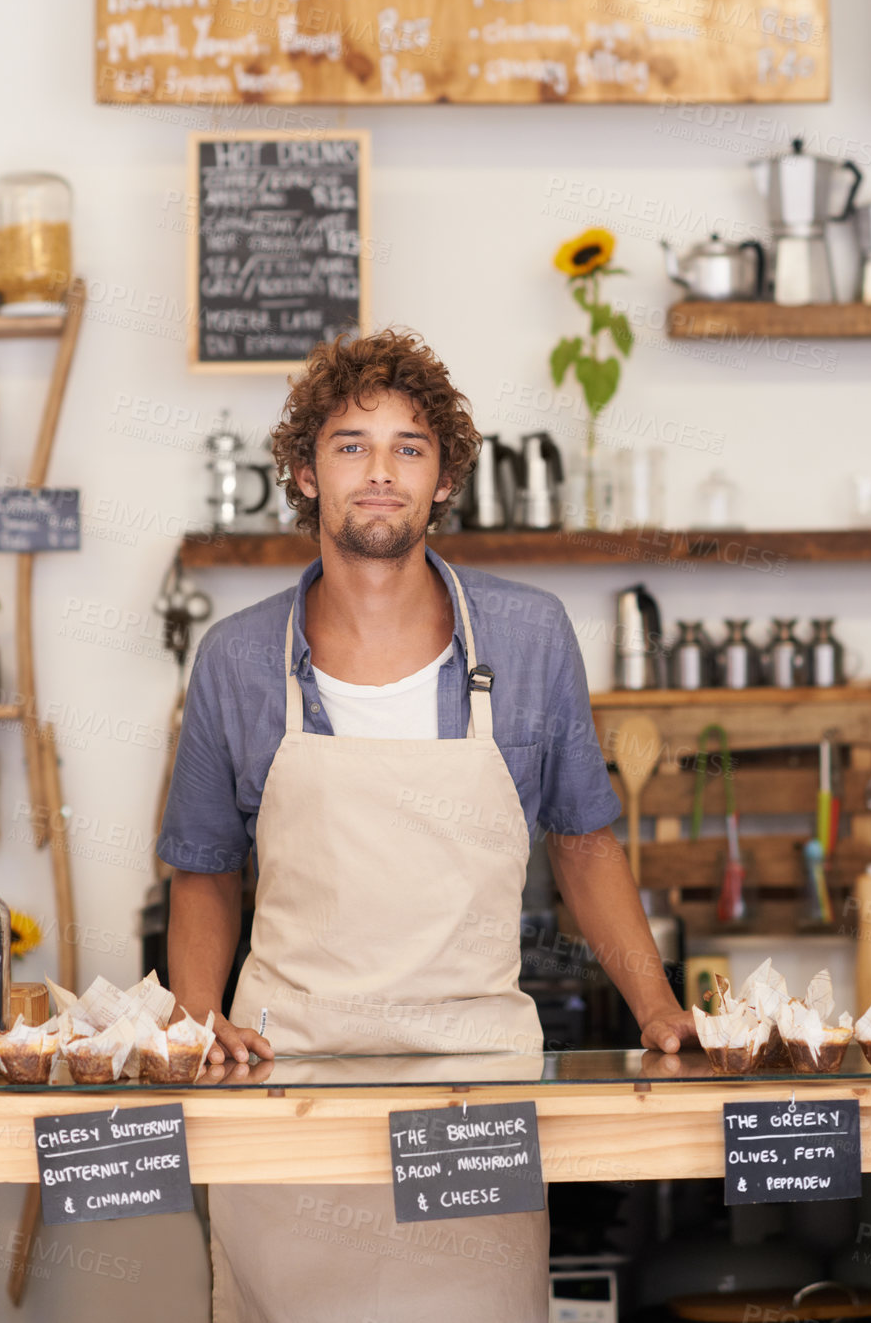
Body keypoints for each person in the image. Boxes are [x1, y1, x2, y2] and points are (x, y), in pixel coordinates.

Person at [160, 328, 694, 1322]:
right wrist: (198, 1031)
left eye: (408, 447)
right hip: (289, 1082)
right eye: (350, 444)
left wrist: (656, 1011)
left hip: (473, 1087)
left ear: (444, 477)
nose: (379, 471)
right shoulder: (237, 659)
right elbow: (202, 870)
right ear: (303, 471)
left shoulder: (528, 636)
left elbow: (582, 841)